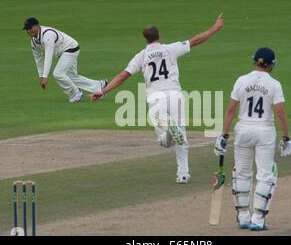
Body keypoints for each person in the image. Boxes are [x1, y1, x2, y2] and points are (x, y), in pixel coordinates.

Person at [91, 14, 225, 184]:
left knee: (164, 142)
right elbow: (195, 40)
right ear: (158, 36)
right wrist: (214, 28)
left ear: (145, 39)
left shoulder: (141, 56)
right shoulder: (170, 49)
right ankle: (183, 173)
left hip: (156, 99)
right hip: (175, 96)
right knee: (181, 136)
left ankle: (170, 131)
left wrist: (103, 91)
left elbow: (122, 76)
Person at [214, 47, 291, 230]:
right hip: (265, 131)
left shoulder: (241, 80)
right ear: (272, 64)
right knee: (266, 175)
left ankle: (243, 216)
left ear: (254, 61)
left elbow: (230, 110)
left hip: (243, 130)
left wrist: (223, 135)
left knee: (241, 172)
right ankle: (258, 219)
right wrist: (286, 137)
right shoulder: (274, 84)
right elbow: (280, 114)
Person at [23, 17, 107, 103]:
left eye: (30, 28)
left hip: (71, 49)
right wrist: (41, 76)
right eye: (27, 29)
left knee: (58, 74)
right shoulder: (33, 42)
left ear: (37, 26)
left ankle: (76, 93)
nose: (29, 31)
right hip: (63, 53)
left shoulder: (47, 35)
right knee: (71, 77)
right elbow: (38, 59)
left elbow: (48, 55)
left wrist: (45, 76)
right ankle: (98, 86)